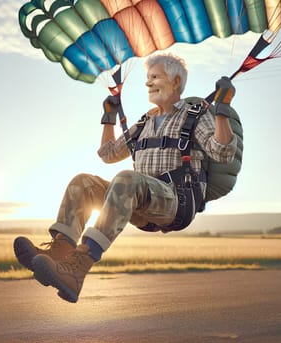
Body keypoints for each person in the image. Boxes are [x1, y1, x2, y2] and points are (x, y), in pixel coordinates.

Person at [13, 53, 237, 303]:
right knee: (82, 182)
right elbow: (109, 154)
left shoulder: (196, 114)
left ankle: (78, 269)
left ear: (175, 82)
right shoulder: (146, 122)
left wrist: (222, 110)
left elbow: (223, 152)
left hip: (177, 201)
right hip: (140, 201)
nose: (148, 83)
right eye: (147, 78)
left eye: (155, 77)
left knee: (127, 179)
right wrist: (109, 117)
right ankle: (59, 253)